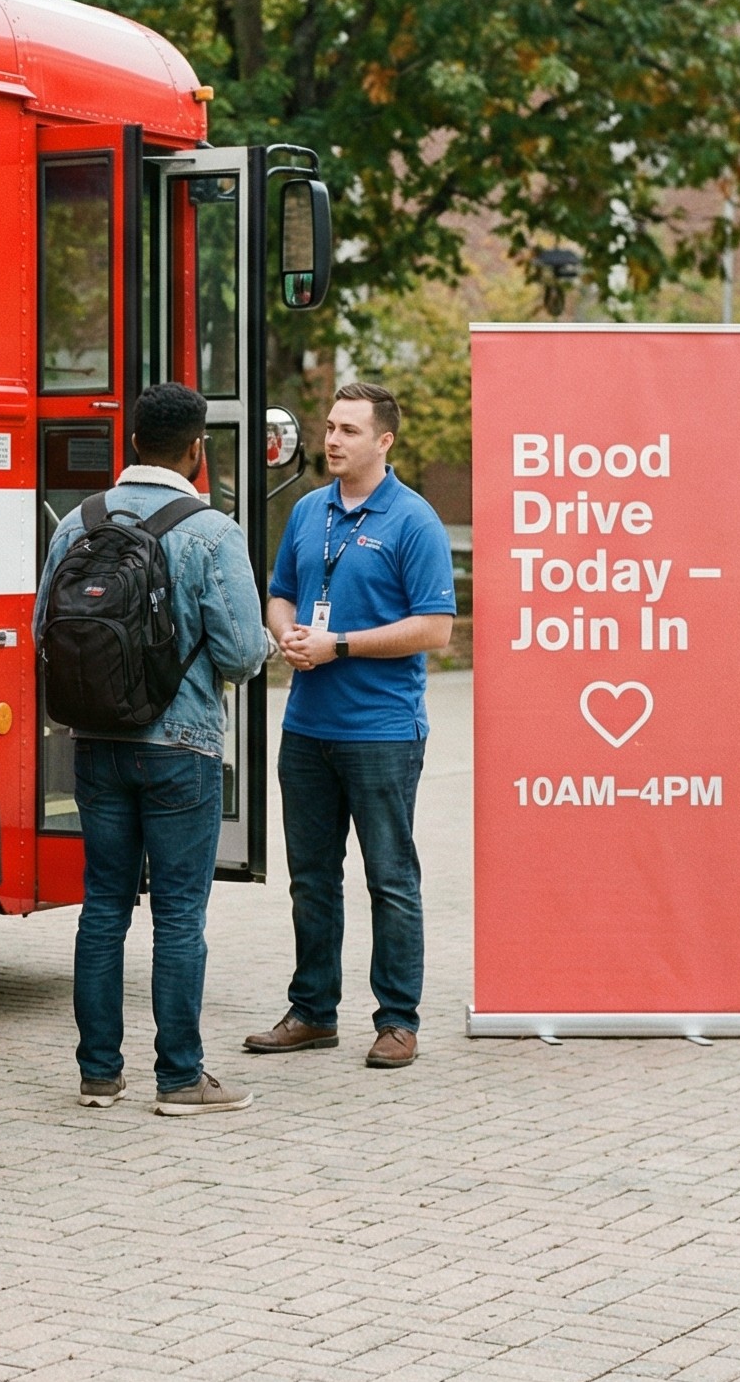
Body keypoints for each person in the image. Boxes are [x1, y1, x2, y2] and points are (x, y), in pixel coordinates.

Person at [36, 382, 270, 1115]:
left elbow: (47, 626)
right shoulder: (211, 530)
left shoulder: (76, 523)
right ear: (198, 449)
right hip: (182, 748)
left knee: (103, 908)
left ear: (132, 442)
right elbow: (239, 654)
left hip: (97, 743)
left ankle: (99, 1073)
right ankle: (179, 1079)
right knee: (178, 916)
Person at [246, 382, 457, 1069]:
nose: (333, 440)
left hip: (382, 729)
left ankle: (397, 1020)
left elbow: (436, 629)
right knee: (311, 877)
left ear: (384, 442)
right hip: (307, 727)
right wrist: (287, 635)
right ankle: (313, 1012)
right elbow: (279, 594)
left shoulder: (414, 521)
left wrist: (341, 645)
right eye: (331, 427)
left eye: (350, 431)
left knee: (390, 878)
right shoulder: (309, 511)